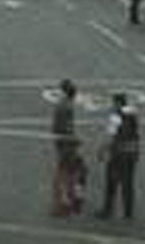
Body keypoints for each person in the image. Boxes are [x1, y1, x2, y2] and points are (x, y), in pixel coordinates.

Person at [98, 92, 140, 220]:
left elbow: (110, 136)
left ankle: (107, 209)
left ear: (117, 103)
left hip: (118, 153)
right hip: (131, 152)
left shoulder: (115, 117)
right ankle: (128, 212)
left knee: (111, 182)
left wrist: (102, 150)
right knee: (128, 183)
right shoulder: (132, 115)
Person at [50, 79, 82, 216]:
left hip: (64, 143)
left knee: (61, 174)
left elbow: (59, 127)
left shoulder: (62, 106)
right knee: (70, 172)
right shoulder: (67, 106)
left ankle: (64, 203)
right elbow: (68, 127)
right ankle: (72, 198)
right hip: (68, 143)